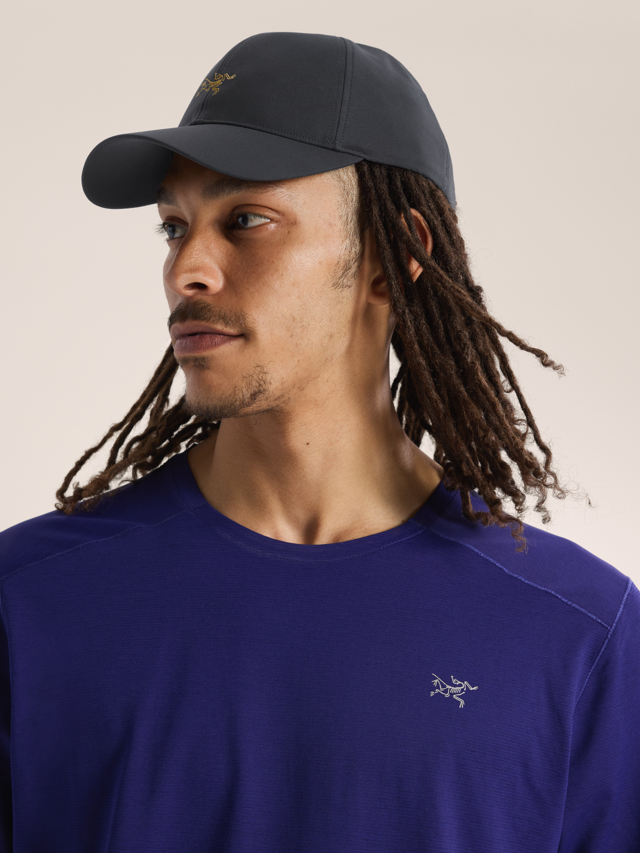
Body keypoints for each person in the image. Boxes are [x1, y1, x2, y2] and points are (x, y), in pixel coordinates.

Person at [0, 31, 638, 853]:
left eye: (246, 220)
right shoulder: (28, 603)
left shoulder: (578, 633)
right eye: (174, 227)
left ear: (396, 253)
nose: (187, 268)